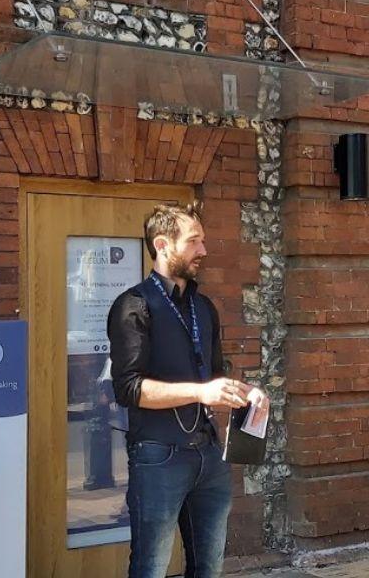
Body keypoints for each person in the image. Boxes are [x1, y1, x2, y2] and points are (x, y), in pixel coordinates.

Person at [106, 202, 266, 578]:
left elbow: (212, 377)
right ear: (162, 245)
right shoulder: (133, 306)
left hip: (209, 457)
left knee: (208, 568)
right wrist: (201, 393)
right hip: (157, 457)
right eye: (194, 241)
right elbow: (129, 389)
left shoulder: (203, 306)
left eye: (203, 241)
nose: (204, 251)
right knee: (151, 568)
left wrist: (246, 393)